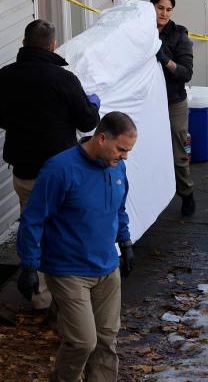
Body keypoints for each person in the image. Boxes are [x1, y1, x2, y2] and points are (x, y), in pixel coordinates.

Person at [16, 112, 137, 382]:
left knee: (107, 339)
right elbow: (33, 218)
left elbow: (118, 207)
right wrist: (29, 265)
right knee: (83, 342)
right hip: (69, 270)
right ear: (102, 138)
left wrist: (125, 241)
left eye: (128, 151)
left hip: (107, 267)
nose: (125, 156)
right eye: (121, 149)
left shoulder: (116, 167)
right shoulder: (60, 169)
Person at [0, 19, 101, 308]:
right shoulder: (64, 79)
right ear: (53, 45)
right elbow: (88, 122)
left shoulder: (4, 76)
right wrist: (93, 105)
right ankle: (67, 297)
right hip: (61, 171)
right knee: (63, 231)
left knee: (32, 226)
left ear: (24, 42)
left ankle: (39, 296)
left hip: (24, 170)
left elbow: (1, 120)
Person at [151, 0, 196, 216]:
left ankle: (187, 194)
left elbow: (186, 73)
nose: (164, 13)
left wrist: (166, 61)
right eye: (160, 8)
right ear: (152, 7)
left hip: (173, 101)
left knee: (178, 153)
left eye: (169, 9)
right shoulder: (143, 31)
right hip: (148, 103)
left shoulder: (179, 36)